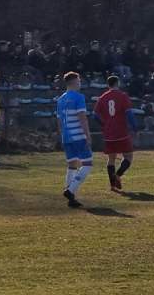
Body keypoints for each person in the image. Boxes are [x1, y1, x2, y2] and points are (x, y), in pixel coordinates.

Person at [55, 71, 93, 208]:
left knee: (72, 165)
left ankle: (70, 196)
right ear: (74, 82)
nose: (80, 83)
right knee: (87, 164)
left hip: (66, 136)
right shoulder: (78, 97)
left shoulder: (60, 99)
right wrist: (87, 134)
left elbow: (58, 120)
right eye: (79, 81)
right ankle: (70, 190)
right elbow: (82, 117)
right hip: (77, 135)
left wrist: (61, 135)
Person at [95, 74, 135, 191]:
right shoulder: (122, 96)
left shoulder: (102, 97)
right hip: (122, 132)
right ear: (118, 83)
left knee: (111, 158)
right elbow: (129, 113)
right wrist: (135, 127)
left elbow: (95, 115)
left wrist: (103, 124)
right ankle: (117, 175)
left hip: (108, 133)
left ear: (108, 85)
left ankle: (112, 185)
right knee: (128, 156)